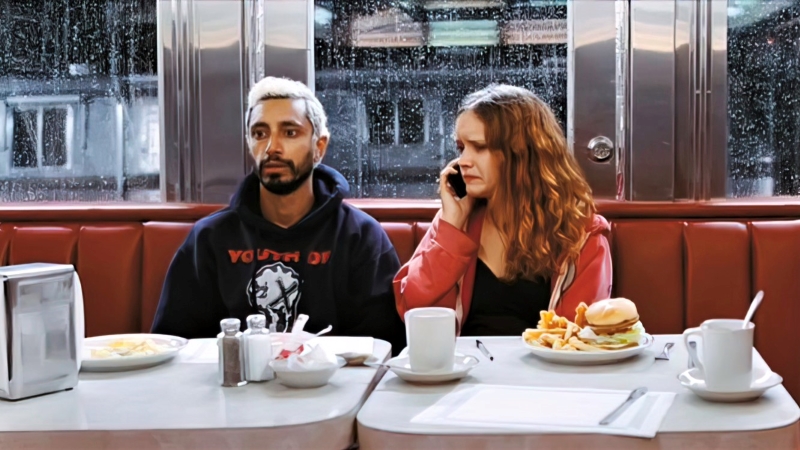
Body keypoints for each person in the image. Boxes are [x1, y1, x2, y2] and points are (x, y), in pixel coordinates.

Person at [152, 76, 406, 352]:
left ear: (319, 147)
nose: (272, 147)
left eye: (290, 133)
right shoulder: (209, 238)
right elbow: (176, 346)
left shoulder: (361, 237)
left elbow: (382, 349)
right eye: (260, 134)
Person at [394, 84, 612, 336]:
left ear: (521, 154)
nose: (463, 161)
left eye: (479, 147)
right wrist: (451, 230)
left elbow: (578, 338)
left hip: (542, 361)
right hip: (464, 360)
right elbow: (412, 310)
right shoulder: (454, 222)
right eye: (461, 148)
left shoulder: (582, 235)